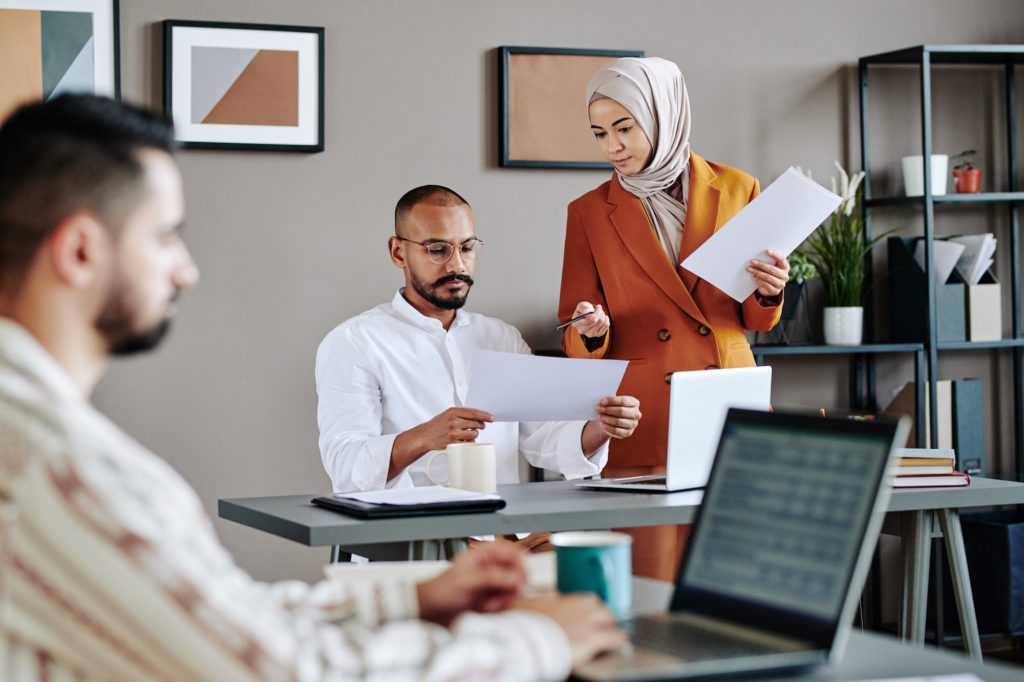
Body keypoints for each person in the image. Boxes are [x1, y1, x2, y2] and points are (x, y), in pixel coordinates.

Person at [0, 94, 625, 681]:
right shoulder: (61, 467)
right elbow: (286, 669)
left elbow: (231, 615)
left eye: (465, 248)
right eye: (165, 235)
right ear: (80, 251)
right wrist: (538, 641)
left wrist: (413, 598)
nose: (185, 270)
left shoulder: (35, 443)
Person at [558, 57, 790, 581]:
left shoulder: (738, 188)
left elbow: (754, 320)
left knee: (736, 578)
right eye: (599, 133)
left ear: (663, 116)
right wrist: (590, 330)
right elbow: (574, 330)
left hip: (728, 399)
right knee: (650, 583)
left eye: (624, 127)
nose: (612, 145)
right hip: (646, 413)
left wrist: (771, 290)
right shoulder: (589, 211)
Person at [316, 185, 642, 495]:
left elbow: (544, 440)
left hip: (506, 532)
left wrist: (603, 427)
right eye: (437, 249)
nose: (457, 264)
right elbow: (345, 467)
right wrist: (424, 437)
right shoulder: (354, 343)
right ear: (398, 252)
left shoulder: (500, 338)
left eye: (467, 247)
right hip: (414, 538)